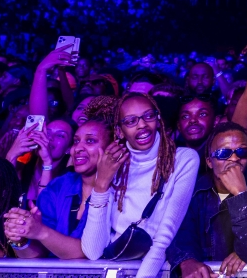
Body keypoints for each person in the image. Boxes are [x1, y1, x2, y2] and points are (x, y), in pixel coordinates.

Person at [80, 92, 200, 278]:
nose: (142, 125)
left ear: (158, 119)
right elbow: (93, 251)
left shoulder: (183, 160)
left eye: (148, 116)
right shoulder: (112, 165)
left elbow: (163, 239)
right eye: (130, 121)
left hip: (155, 272)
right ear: (119, 130)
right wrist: (101, 184)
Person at [167, 122, 247, 278]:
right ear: (209, 161)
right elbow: (179, 235)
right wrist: (187, 261)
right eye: (223, 153)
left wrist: (241, 194)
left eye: (241, 151)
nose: (234, 158)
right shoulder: (193, 190)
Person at [3, 118, 113, 258]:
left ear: (111, 148)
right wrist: (19, 237)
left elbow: (89, 252)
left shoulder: (120, 190)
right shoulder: (59, 187)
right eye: (76, 141)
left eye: (90, 141)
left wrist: (41, 231)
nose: (78, 148)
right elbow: (40, 254)